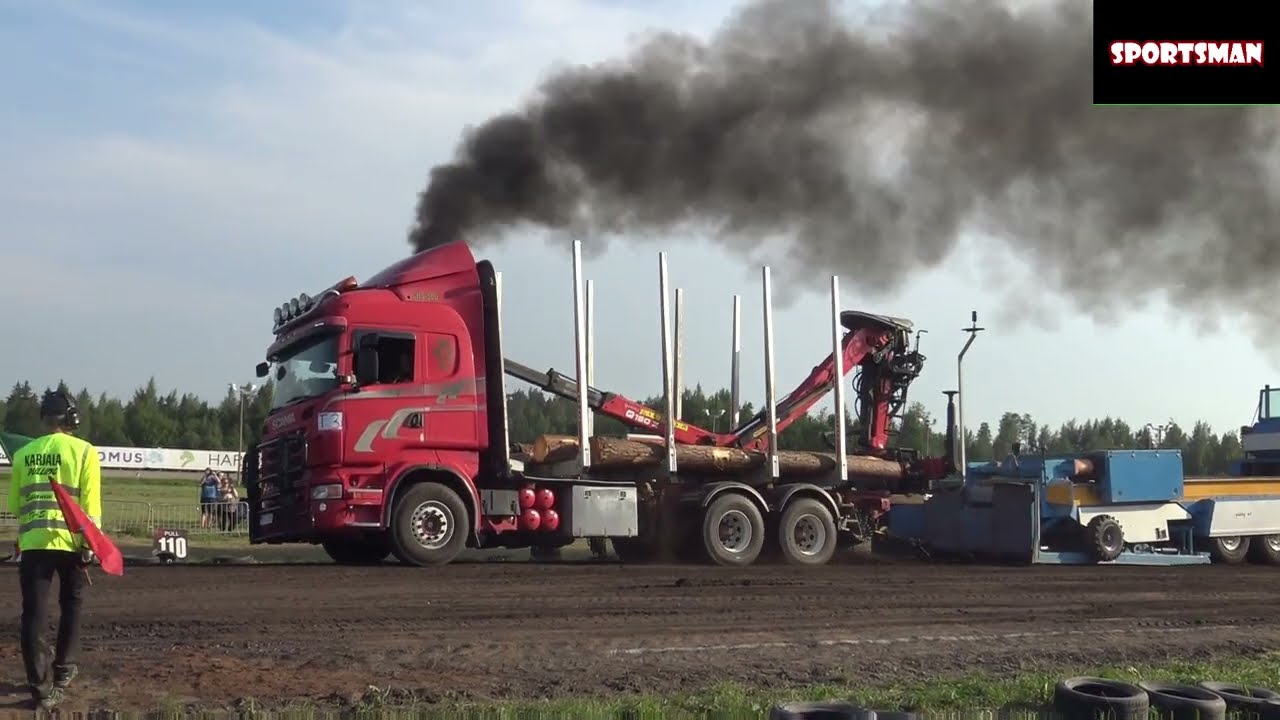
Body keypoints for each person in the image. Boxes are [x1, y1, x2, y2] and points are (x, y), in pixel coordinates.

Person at [7, 389, 102, 710]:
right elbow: (90, 507)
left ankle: (40, 687)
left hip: (34, 544)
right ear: (72, 418)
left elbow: (16, 506)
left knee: (33, 613)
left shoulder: (23, 455)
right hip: (72, 543)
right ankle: (64, 668)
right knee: (72, 602)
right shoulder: (85, 452)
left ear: (44, 419)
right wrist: (90, 546)